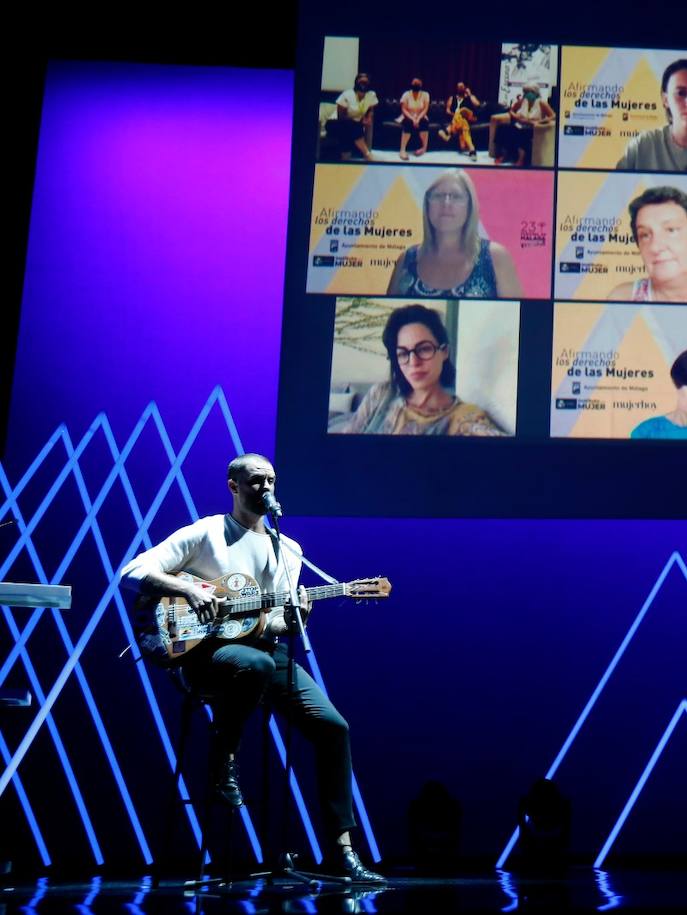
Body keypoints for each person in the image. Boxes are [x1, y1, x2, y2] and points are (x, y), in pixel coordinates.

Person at [119, 454, 385, 883]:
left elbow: (276, 622)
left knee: (334, 727)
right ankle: (223, 758)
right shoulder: (207, 532)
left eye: (271, 481)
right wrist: (187, 587)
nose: (265, 488)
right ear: (233, 486)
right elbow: (132, 570)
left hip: (262, 653)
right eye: (256, 481)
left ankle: (341, 850)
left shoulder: (287, 550)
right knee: (255, 664)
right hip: (204, 655)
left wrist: (300, 614)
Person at [339, 304, 508, 436]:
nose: (413, 362)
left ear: (444, 352)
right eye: (403, 353)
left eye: (424, 349)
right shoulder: (382, 394)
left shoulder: (465, 417)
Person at [387, 169, 523, 298]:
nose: (446, 203)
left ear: (470, 206)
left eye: (456, 197)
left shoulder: (495, 257)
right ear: (426, 204)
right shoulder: (406, 259)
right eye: (438, 196)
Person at [491, 82, 554, 167]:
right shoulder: (522, 101)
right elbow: (511, 110)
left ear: (535, 93)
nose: (527, 94)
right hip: (520, 124)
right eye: (525, 92)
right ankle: (504, 155)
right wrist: (516, 116)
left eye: (529, 92)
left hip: (533, 128)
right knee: (503, 127)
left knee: (521, 133)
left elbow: (553, 116)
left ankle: (521, 159)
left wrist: (541, 121)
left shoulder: (542, 103)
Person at [334, 72, 378, 161]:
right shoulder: (347, 94)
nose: (363, 85)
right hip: (336, 123)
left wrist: (368, 118)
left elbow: (370, 108)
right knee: (350, 126)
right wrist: (359, 121)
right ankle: (367, 154)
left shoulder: (371, 95)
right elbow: (341, 117)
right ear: (356, 83)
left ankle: (346, 155)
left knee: (354, 126)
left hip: (356, 123)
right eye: (361, 82)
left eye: (366, 82)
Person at [439, 82, 480, 158]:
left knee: (462, 110)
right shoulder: (452, 98)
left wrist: (470, 94)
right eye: (459, 87)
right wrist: (455, 115)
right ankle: (472, 149)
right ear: (456, 89)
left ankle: (447, 131)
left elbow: (477, 104)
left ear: (465, 88)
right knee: (461, 119)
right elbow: (447, 111)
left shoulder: (469, 97)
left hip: (468, 115)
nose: (460, 88)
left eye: (462, 86)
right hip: (460, 121)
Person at [399, 77, 431, 160]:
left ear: (421, 85)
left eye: (418, 84)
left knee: (424, 122)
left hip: (421, 115)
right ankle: (402, 150)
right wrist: (413, 119)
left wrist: (418, 118)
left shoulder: (425, 94)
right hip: (408, 115)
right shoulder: (406, 94)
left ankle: (424, 148)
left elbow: (425, 109)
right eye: (414, 83)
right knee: (408, 123)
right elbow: (403, 109)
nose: (416, 85)